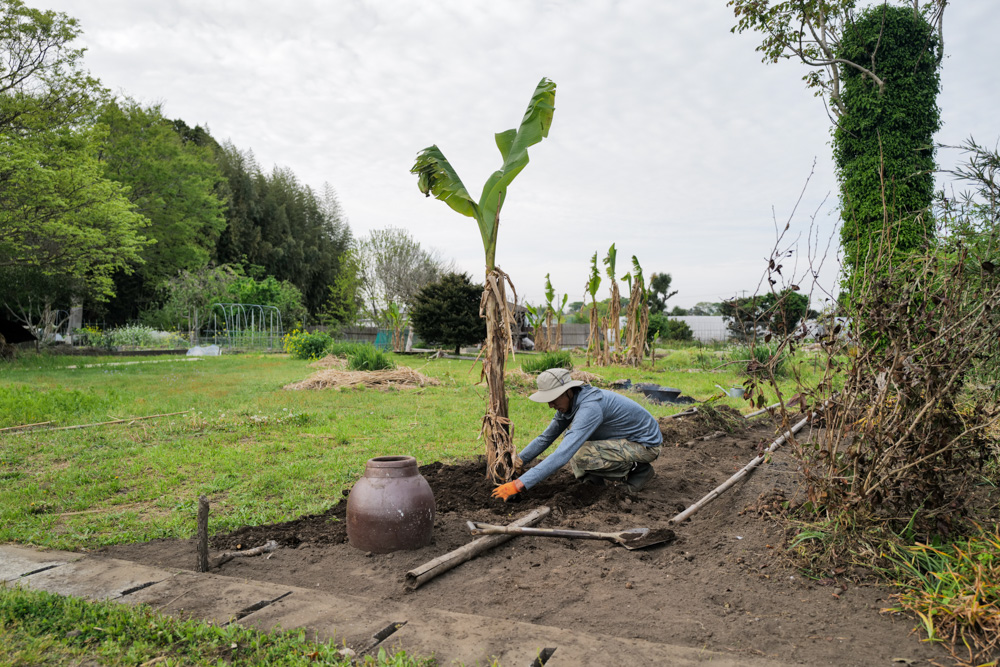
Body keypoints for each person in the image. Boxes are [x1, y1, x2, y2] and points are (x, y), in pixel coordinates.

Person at [492, 368, 663, 501]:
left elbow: (563, 453)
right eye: (548, 400)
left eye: (554, 398)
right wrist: (518, 461)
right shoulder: (571, 403)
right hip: (622, 440)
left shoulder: (590, 407)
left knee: (579, 452)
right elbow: (546, 437)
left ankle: (639, 472)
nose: (551, 404)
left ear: (568, 391)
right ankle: (594, 482)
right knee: (575, 441)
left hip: (644, 445)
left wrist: (520, 484)